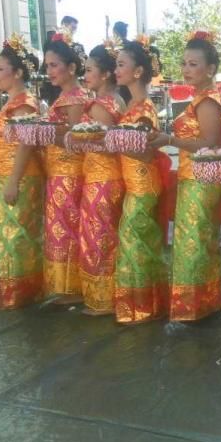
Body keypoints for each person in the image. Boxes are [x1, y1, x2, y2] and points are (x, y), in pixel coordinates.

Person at [148, 30, 221, 322]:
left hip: (201, 175)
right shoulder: (201, 99)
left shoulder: (207, 101)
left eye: (193, 64)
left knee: (192, 239)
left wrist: (170, 139)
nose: (186, 69)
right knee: (198, 238)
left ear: (210, 69)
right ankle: (203, 302)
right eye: (184, 63)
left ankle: (194, 306)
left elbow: (208, 142)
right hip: (194, 175)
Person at [113, 39, 169, 324]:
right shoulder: (131, 105)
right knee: (137, 242)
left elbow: (147, 153)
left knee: (136, 243)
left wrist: (114, 141)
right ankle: (143, 304)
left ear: (138, 72)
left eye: (121, 64)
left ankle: (141, 307)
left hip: (144, 184)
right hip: (134, 183)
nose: (116, 69)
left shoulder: (144, 108)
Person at [0, 34, 44, 309]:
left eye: (0, 69)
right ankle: (14, 293)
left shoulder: (25, 103)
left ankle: (21, 294)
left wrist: (13, 181)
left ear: (18, 72)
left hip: (19, 177)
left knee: (17, 236)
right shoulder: (12, 101)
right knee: (7, 234)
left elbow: (26, 143)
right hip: (6, 175)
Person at [78, 42, 125, 315]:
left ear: (104, 75)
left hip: (102, 177)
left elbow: (109, 144)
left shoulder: (101, 105)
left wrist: (79, 139)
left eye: (89, 70)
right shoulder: (115, 100)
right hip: (104, 176)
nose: (86, 75)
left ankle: (103, 299)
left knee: (99, 237)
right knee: (104, 235)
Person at [42, 29, 88, 304]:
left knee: (67, 228)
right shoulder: (64, 97)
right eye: (47, 65)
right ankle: (64, 285)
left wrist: (42, 132)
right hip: (57, 171)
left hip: (69, 171)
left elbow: (75, 138)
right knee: (59, 227)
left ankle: (72, 287)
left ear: (71, 68)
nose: (49, 71)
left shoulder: (74, 99)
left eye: (54, 65)